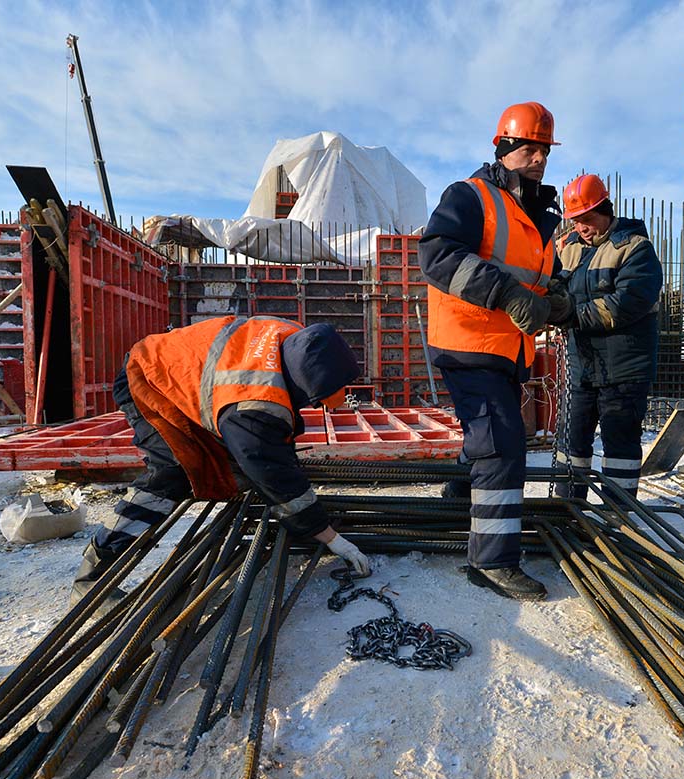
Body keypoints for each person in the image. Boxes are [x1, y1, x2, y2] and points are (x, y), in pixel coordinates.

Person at [71, 315, 371, 605]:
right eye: (316, 402)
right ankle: (93, 578)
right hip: (149, 378)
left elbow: (272, 445)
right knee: (172, 476)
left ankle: (286, 518)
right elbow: (268, 466)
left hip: (189, 372)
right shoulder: (255, 403)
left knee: (243, 469)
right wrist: (328, 535)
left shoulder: (294, 337)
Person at [418, 101, 573, 601]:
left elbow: (538, 280)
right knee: (502, 444)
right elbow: (437, 255)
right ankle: (492, 562)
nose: (540, 157)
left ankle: (458, 497)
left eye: (545, 149)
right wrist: (507, 295)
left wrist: (558, 300)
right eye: (531, 147)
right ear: (504, 147)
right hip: (469, 343)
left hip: (508, 349)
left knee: (487, 439)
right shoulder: (470, 196)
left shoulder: (537, 214)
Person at [552, 173, 663, 501]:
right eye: (575, 221)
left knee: (619, 447)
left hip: (624, 370)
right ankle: (567, 509)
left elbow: (626, 304)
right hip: (582, 367)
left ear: (606, 210)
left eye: (587, 219)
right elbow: (556, 287)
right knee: (570, 443)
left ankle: (617, 519)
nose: (581, 227)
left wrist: (569, 314)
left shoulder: (635, 249)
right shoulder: (570, 248)